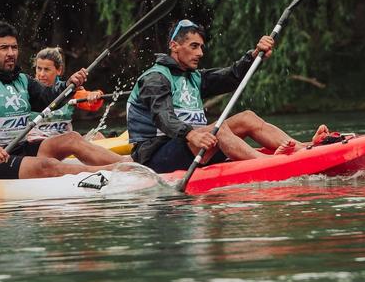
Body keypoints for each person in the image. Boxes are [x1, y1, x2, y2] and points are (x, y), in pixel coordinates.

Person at [127, 19, 328, 173]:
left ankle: (304, 148)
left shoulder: (194, 77)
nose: (200, 53)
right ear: (174, 46)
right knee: (219, 128)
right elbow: (163, 117)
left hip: (197, 147)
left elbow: (231, 76)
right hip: (156, 156)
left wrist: (253, 55)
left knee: (247, 117)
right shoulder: (155, 79)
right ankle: (268, 164)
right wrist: (192, 135)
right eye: (193, 46)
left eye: (201, 47)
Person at [0, 21, 126, 181]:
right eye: (4, 48)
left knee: (72, 138)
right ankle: (114, 172)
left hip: (19, 149)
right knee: (48, 164)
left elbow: (48, 100)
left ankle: (129, 163)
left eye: (14, 47)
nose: (11, 53)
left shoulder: (21, 79)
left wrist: (68, 86)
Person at [30, 47, 106, 142]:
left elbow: (91, 104)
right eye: (39, 69)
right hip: (37, 144)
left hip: (66, 144)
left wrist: (95, 95)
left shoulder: (68, 90)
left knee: (97, 136)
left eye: (46, 70)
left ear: (59, 70)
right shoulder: (28, 89)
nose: (41, 74)